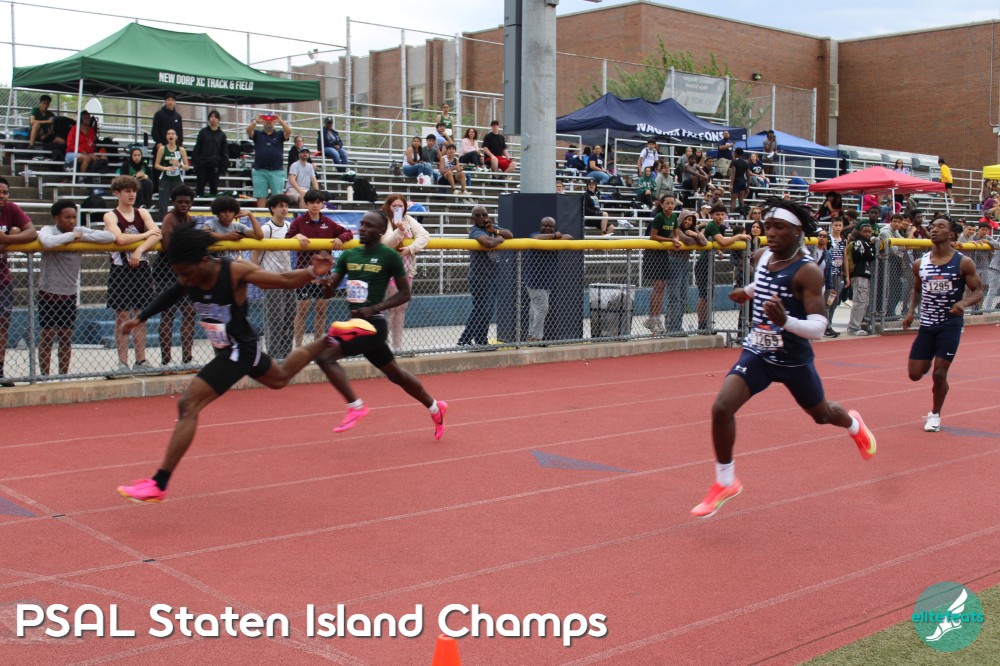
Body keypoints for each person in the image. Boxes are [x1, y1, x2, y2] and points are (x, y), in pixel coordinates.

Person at [114, 224, 375, 503]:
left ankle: (159, 483)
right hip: (232, 348)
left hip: (238, 349)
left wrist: (312, 272)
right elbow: (172, 293)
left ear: (204, 261)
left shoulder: (234, 272)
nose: (184, 279)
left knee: (188, 404)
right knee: (280, 377)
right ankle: (331, 337)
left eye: (186, 273)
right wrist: (140, 318)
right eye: (179, 274)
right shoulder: (189, 275)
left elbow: (283, 279)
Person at [691, 198, 877, 519]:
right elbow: (764, 282)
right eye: (768, 226)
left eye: (779, 228)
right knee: (721, 407)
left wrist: (785, 321)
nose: (771, 233)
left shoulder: (808, 271)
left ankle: (853, 424)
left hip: (793, 360)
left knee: (822, 415)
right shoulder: (763, 256)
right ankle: (726, 482)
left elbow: (818, 327)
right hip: (759, 351)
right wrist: (747, 292)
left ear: (798, 232)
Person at [311, 210, 447, 436]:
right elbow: (329, 291)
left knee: (325, 358)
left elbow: (404, 293)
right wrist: (323, 280)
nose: (362, 228)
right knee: (396, 375)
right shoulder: (349, 255)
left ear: (381, 231)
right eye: (362, 224)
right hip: (356, 324)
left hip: (373, 326)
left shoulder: (389, 256)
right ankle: (435, 407)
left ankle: (356, 407)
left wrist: (375, 308)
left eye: (369, 225)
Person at [902, 217, 983, 433]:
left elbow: (978, 291)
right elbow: (917, 289)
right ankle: (931, 358)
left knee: (939, 374)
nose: (934, 229)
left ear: (951, 234)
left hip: (950, 324)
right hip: (927, 324)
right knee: (915, 373)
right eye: (932, 227)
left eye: (941, 227)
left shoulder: (963, 262)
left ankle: (935, 414)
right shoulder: (920, 264)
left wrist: (962, 303)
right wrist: (910, 312)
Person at [37, 200, 115, 376]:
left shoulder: (79, 231)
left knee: (65, 337)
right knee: (47, 336)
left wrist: (82, 236)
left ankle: (63, 376)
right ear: (57, 218)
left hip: (69, 294)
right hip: (48, 293)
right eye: (67, 217)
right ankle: (44, 376)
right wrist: (72, 237)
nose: (72, 221)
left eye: (74, 217)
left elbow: (109, 237)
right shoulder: (49, 230)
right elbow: (47, 242)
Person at [104, 176, 162, 374]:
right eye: (127, 191)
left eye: (134, 191)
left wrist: (139, 250)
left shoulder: (142, 212)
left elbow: (158, 233)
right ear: (117, 193)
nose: (131, 195)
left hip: (142, 268)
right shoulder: (111, 216)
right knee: (121, 316)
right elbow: (120, 239)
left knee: (141, 316)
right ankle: (122, 362)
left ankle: (141, 360)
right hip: (121, 269)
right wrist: (145, 235)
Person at [287, 189, 354, 346]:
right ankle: (298, 346)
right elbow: (288, 238)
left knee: (321, 310)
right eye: (311, 202)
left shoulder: (328, 222)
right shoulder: (299, 222)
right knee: (302, 311)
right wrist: (297, 236)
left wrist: (340, 238)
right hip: (304, 273)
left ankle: (317, 345)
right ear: (306, 204)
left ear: (322, 204)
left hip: (324, 275)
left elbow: (348, 233)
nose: (315, 205)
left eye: (318, 202)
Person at [381, 194, 430, 352]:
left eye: (400, 206)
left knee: (402, 308)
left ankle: (397, 345)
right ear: (388, 206)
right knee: (391, 308)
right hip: (390, 270)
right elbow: (387, 242)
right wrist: (400, 230)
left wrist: (410, 248)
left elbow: (424, 236)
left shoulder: (408, 219)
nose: (397, 209)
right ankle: (382, 344)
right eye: (394, 206)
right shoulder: (384, 220)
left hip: (407, 269)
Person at [0, 177, 37, 385]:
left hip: (3, 279)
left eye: (5, 192)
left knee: (3, 324)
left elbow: (31, 232)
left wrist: (7, 239)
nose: (2, 196)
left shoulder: (11, 209)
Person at [458, 205, 512, 346]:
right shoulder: (475, 231)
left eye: (484, 214)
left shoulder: (492, 228)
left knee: (486, 311)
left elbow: (510, 234)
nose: (482, 217)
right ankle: (467, 339)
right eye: (478, 215)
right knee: (482, 310)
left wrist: (495, 231)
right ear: (473, 218)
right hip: (479, 277)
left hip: (493, 277)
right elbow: (488, 243)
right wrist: (499, 238)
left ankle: (478, 341)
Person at [156, 186, 198, 367]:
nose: (183, 205)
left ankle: (187, 358)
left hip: (186, 271)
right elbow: (168, 245)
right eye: (180, 202)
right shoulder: (169, 218)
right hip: (166, 270)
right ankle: (166, 360)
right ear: (173, 202)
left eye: (187, 202)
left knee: (189, 312)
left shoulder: (190, 220)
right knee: (168, 313)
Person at [697, 205, 751, 331]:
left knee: (709, 294)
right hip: (703, 263)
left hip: (710, 261)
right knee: (704, 294)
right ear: (711, 215)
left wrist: (718, 251)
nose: (720, 217)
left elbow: (716, 244)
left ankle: (706, 323)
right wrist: (738, 236)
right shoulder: (711, 225)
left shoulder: (721, 227)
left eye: (722, 214)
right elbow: (723, 242)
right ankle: (702, 324)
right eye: (717, 214)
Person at [524, 217, 571, 342]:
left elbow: (569, 237)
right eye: (545, 225)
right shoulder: (535, 235)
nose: (548, 228)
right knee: (542, 309)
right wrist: (554, 235)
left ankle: (531, 335)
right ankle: (536, 338)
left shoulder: (555, 240)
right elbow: (536, 238)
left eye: (551, 226)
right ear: (540, 226)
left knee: (535, 309)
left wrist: (556, 238)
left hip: (547, 282)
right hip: (534, 282)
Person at [643, 194, 678, 334]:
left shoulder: (674, 217)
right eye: (667, 203)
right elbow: (653, 236)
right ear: (662, 205)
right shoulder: (659, 217)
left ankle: (656, 318)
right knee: (657, 285)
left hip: (663, 253)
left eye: (672, 203)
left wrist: (676, 239)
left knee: (662, 286)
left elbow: (676, 232)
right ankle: (653, 317)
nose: (670, 206)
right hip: (653, 253)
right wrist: (671, 241)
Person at [248, 113, 292, 208]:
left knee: (278, 197)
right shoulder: (258, 134)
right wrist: (255, 121)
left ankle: (277, 215)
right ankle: (261, 215)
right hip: (260, 170)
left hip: (276, 170)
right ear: (263, 123)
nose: (269, 123)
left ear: (274, 123)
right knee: (261, 196)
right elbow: (249, 131)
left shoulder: (279, 134)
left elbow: (289, 132)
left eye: (271, 122)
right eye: (267, 122)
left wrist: (280, 120)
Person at [845, 221, 876, 336]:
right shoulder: (859, 242)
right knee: (859, 301)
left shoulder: (866, 243)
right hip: (859, 274)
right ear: (860, 232)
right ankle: (853, 327)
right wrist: (872, 246)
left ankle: (856, 326)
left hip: (864, 274)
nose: (867, 234)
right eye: (865, 231)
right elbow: (868, 256)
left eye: (869, 232)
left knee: (864, 302)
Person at [153, 129, 191, 221]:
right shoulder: (162, 149)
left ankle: (179, 221)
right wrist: (166, 168)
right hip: (165, 179)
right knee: (163, 203)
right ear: (166, 137)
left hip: (177, 180)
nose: (171, 135)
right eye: (168, 133)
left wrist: (180, 165)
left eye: (173, 133)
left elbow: (187, 167)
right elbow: (156, 165)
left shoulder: (181, 150)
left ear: (176, 137)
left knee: (179, 201)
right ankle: (164, 222)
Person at [191, 110, 228, 198]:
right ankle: (198, 205)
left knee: (214, 189)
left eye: (215, 117)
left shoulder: (222, 135)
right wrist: (195, 163)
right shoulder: (203, 132)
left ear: (218, 119)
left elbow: (224, 151)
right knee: (200, 188)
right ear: (208, 119)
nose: (213, 119)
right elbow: (197, 148)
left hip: (215, 165)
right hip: (202, 165)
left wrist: (223, 166)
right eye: (211, 117)